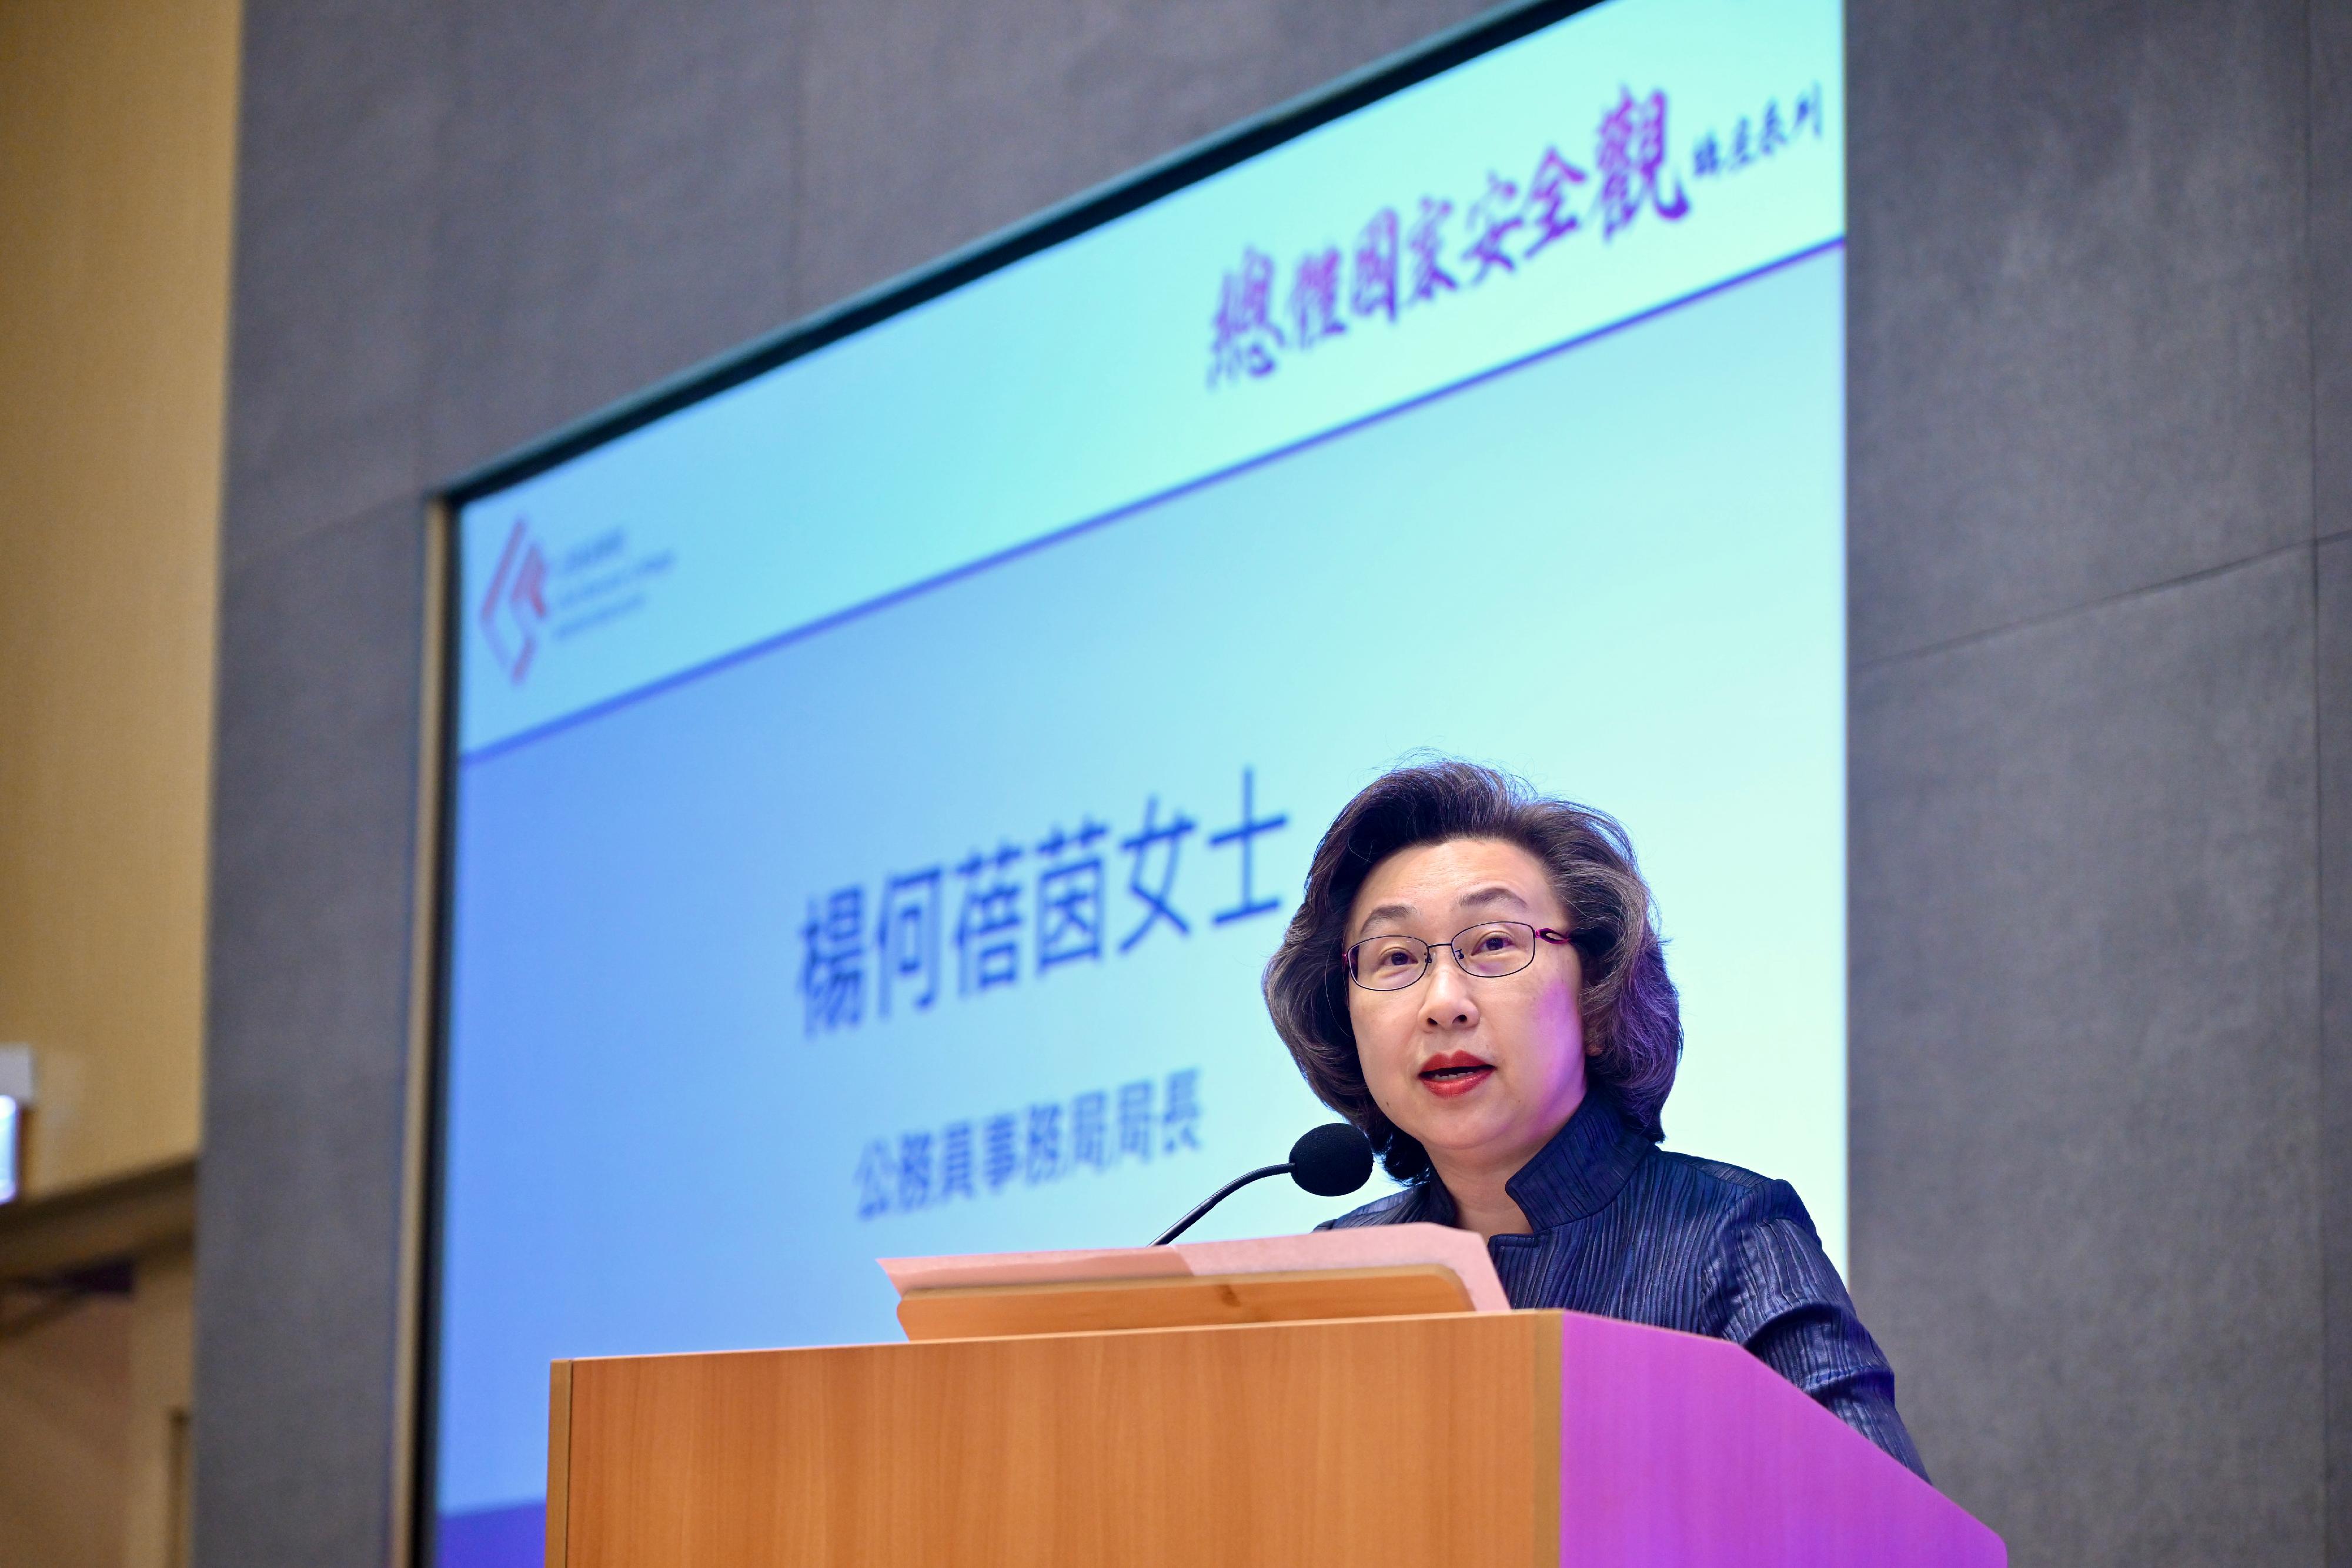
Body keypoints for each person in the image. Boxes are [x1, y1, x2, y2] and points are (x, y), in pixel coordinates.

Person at [1262, 759, 1928, 1479]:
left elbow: (1885, 1531)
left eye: (1492, 944)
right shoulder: (1338, 1266)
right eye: (1395, 958)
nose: (1442, 1001)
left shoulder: (1727, 1237)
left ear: (1598, 1001)